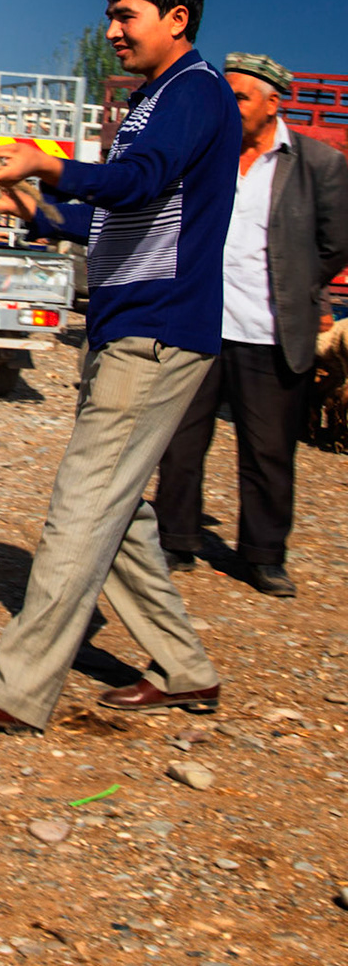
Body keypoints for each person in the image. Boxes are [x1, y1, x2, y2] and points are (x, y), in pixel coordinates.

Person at [0, 0, 240, 731]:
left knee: (83, 506)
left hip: (157, 331)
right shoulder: (154, 101)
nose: (112, 29)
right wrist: (34, 202)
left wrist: (51, 162)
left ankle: (13, 688)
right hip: (130, 328)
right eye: (112, 13)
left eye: (125, 14)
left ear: (176, 18)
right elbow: (111, 216)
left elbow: (134, 182)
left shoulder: (193, 95)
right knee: (117, 513)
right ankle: (186, 669)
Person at [153, 53, 348, 597]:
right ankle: (176, 539)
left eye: (239, 97)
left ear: (272, 103)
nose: (229, 107)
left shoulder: (317, 165)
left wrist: (301, 283)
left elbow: (337, 243)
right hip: (199, 323)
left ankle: (263, 556)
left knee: (268, 449)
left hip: (270, 330)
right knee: (181, 439)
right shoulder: (205, 156)